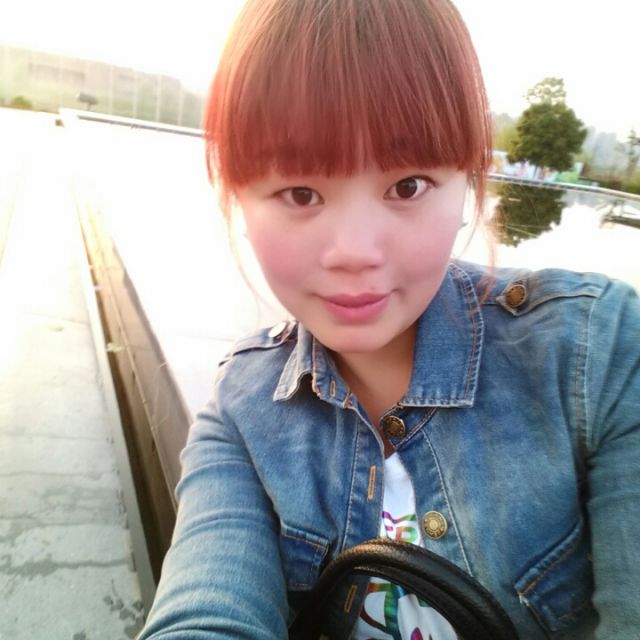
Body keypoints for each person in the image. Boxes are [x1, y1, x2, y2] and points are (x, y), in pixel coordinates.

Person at [137, 1, 640, 638]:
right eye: (300, 193)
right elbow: (206, 615)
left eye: (408, 186)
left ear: (467, 183)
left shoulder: (596, 355)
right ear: (236, 196)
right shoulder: (242, 410)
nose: (355, 252)